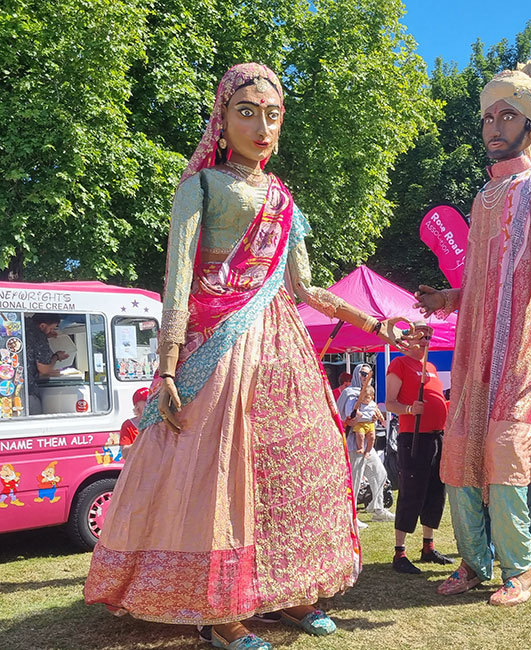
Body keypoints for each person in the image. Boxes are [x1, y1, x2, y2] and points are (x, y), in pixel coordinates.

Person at [84, 63, 408, 650]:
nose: (261, 126)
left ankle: (286, 594)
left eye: (273, 115)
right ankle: (218, 611)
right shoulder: (201, 187)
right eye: (247, 112)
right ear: (222, 118)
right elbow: (178, 280)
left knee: (293, 471)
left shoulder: (284, 196)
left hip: (284, 355)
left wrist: (375, 322)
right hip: (220, 351)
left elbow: (306, 289)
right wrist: (167, 366)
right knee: (219, 479)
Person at [413, 56, 531, 606]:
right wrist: (449, 298)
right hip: (473, 351)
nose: (493, 129)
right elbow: (485, 280)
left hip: (524, 348)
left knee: (507, 458)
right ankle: (473, 563)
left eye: (507, 117)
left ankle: (522, 571)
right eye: (487, 118)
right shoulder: (483, 199)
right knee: (459, 457)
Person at [385, 334, 453, 574]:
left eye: (428, 336)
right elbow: (390, 403)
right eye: (420, 336)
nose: (426, 340)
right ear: (408, 340)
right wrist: (410, 409)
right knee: (411, 492)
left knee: (436, 491)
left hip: (437, 436)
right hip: (414, 437)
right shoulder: (399, 364)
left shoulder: (431, 367)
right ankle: (399, 551)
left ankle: (428, 546)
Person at [338, 364, 395, 526]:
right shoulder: (350, 393)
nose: (365, 376)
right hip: (354, 443)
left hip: (367, 443)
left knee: (380, 473)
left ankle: (378, 509)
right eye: (362, 373)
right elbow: (350, 415)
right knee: (356, 479)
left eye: (368, 373)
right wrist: (367, 417)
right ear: (357, 374)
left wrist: (374, 416)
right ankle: (351, 517)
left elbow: (372, 412)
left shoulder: (368, 393)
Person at [25, 313, 69, 415]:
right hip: (28, 392)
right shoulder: (39, 336)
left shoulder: (22, 326)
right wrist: (57, 357)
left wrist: (47, 335)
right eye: (52, 328)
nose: (52, 331)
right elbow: (44, 369)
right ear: (42, 326)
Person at [352, 384, 385, 457]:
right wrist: (357, 412)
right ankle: (361, 448)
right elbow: (355, 409)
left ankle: (368, 450)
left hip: (370, 424)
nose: (364, 399)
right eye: (362, 397)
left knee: (372, 437)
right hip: (360, 424)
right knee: (360, 435)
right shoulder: (359, 403)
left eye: (367, 397)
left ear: (372, 398)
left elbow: (377, 411)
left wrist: (381, 417)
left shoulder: (373, 404)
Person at [118, 387, 149, 460]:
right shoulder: (128, 425)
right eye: (146, 400)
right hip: (137, 468)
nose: (150, 402)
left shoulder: (159, 423)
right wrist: (143, 443)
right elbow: (125, 453)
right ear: (137, 405)